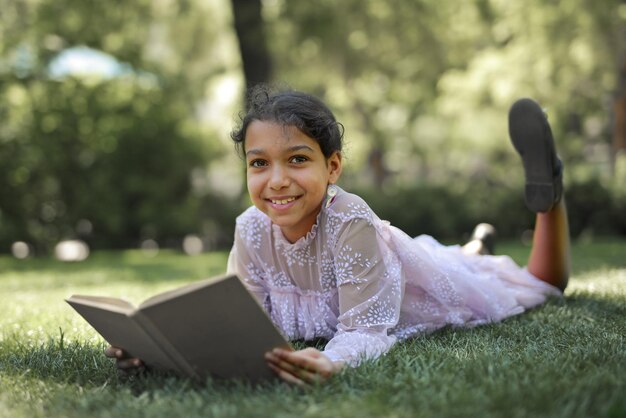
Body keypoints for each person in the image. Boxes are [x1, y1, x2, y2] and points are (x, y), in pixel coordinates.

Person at [106, 88, 570, 386]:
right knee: (459, 256)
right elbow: (237, 316)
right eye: (259, 163)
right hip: (410, 261)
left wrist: (335, 362)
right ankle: (476, 245)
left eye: (298, 160)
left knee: (538, 283)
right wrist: (158, 347)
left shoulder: (350, 223)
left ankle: (550, 196)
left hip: (418, 285)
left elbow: (365, 330)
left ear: (332, 167)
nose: (277, 180)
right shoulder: (250, 227)